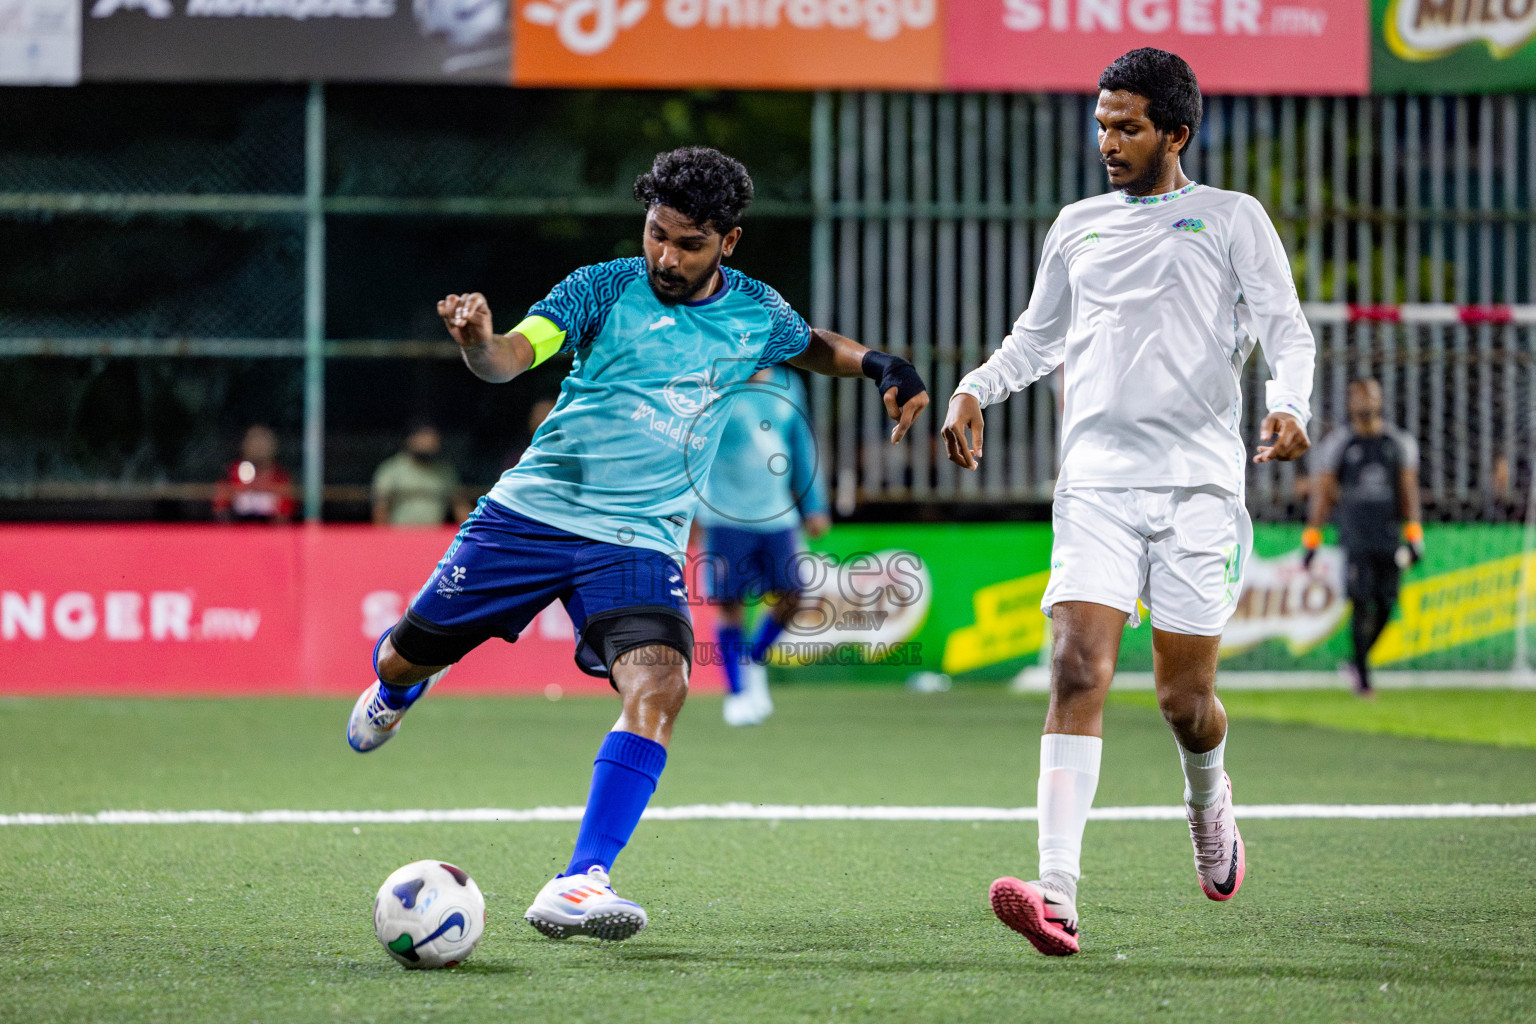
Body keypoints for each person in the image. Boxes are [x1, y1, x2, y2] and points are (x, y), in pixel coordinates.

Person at [345, 147, 929, 943]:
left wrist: (880, 365)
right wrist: (480, 341)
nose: (665, 256)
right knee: (402, 656)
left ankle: (581, 879)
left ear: (729, 241)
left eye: (688, 243)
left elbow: (810, 343)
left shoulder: (755, 311)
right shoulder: (602, 287)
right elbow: (512, 355)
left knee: (662, 685)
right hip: (531, 516)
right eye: (656, 234)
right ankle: (397, 690)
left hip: (638, 542)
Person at [940, 48, 1315, 956]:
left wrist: (1289, 408)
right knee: (1076, 671)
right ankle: (1058, 893)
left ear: (1176, 133)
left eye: (1128, 127)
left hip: (1197, 492)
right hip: (1096, 488)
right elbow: (1039, 337)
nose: (1108, 141)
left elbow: (1285, 331)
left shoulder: (1231, 218)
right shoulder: (1075, 225)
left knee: (1184, 702)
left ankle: (1208, 798)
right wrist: (976, 387)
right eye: (1102, 123)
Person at [695, 364, 830, 726]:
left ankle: (753, 659)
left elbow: (800, 443)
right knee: (731, 605)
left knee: (794, 595)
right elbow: (692, 446)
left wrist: (813, 504)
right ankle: (737, 693)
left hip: (778, 514)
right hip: (724, 514)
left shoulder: (789, 384)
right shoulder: (716, 381)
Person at [1302, 379, 1422, 697]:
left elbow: (1409, 493)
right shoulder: (1339, 445)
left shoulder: (1398, 443)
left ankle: (1357, 662)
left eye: (1370, 392)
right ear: (1349, 404)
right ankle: (1364, 680)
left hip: (1388, 537)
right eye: (1357, 394)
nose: (1364, 399)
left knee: (1386, 604)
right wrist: (1312, 538)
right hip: (1354, 538)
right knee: (1361, 602)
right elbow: (1325, 495)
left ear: (1381, 398)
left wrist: (1414, 536)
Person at [371, 421, 473, 527]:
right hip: (399, 535)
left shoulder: (445, 472)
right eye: (423, 437)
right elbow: (380, 508)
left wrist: (473, 534)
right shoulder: (392, 469)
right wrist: (383, 538)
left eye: (431, 438)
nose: (427, 443)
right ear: (410, 439)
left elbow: (460, 506)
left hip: (434, 537)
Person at [212, 424, 294, 524]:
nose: (258, 446)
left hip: (271, 535)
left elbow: (285, 513)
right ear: (244, 445)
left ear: (273, 446)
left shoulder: (281, 477)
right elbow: (220, 508)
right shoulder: (230, 473)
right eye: (254, 441)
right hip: (236, 533)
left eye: (263, 441)